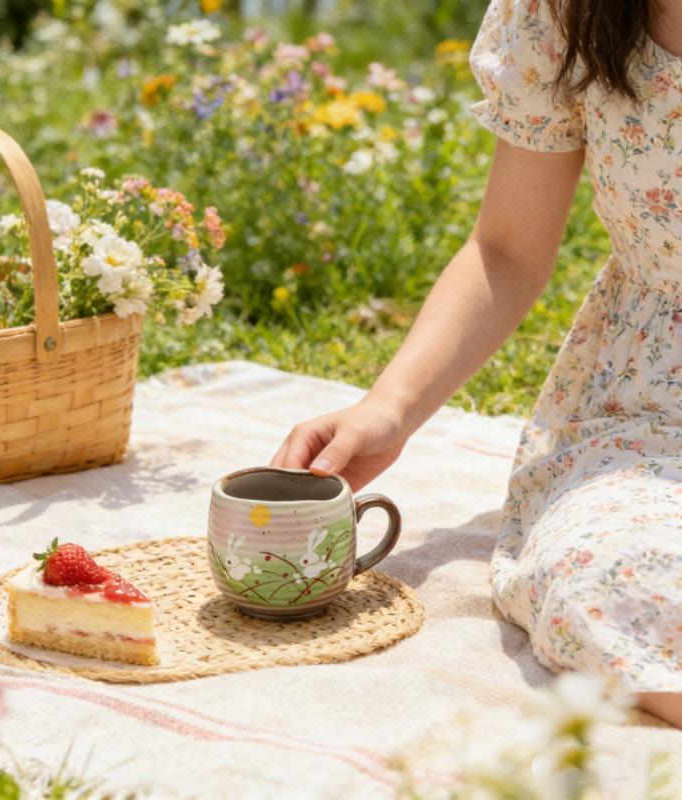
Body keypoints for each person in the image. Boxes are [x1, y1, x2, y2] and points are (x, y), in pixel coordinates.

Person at [272, 0, 682, 727]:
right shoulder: (564, 12)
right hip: (650, 415)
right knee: (616, 581)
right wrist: (388, 409)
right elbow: (507, 250)